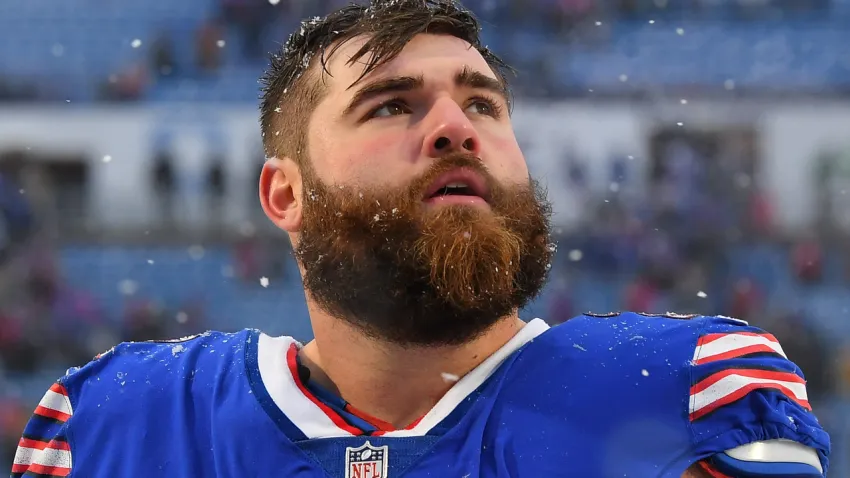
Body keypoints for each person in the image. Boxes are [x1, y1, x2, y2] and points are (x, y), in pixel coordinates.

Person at [12, 1, 829, 477]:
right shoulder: (112, 426)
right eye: (391, 104)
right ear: (284, 193)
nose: (455, 129)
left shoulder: (689, 395)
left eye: (483, 105)